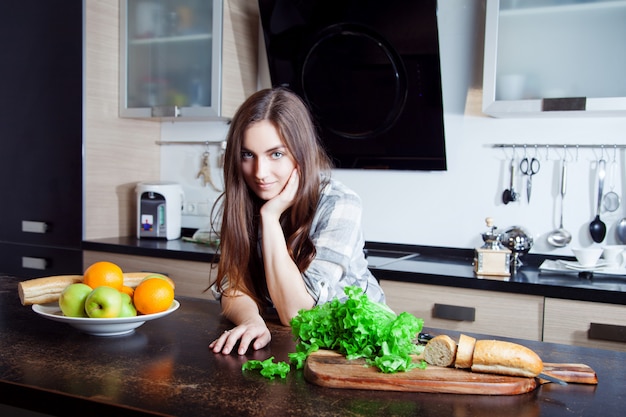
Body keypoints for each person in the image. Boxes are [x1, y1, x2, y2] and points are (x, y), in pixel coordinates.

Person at [209, 87, 385, 355]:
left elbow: (296, 314)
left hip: (358, 348)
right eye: (248, 155)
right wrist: (251, 320)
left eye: (276, 154)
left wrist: (269, 217)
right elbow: (233, 285)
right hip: (295, 347)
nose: (260, 172)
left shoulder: (339, 203)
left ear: (300, 153)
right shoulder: (241, 201)